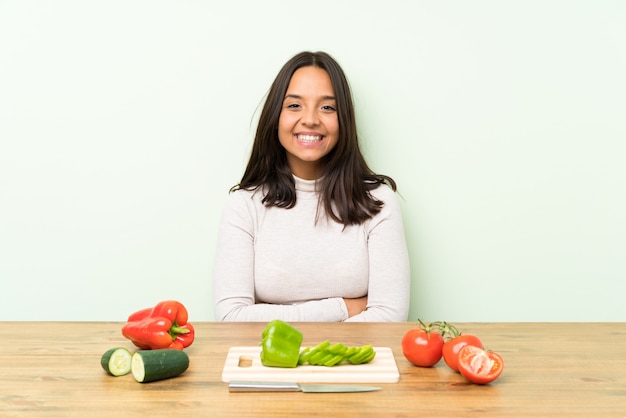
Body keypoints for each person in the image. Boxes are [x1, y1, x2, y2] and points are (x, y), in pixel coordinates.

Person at [213, 51, 410, 322]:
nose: (310, 119)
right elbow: (232, 317)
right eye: (294, 105)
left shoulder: (378, 201)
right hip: (270, 363)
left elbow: (389, 317)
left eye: (327, 107)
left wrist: (271, 316)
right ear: (275, 116)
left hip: (354, 362)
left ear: (344, 120)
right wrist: (342, 308)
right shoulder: (244, 205)